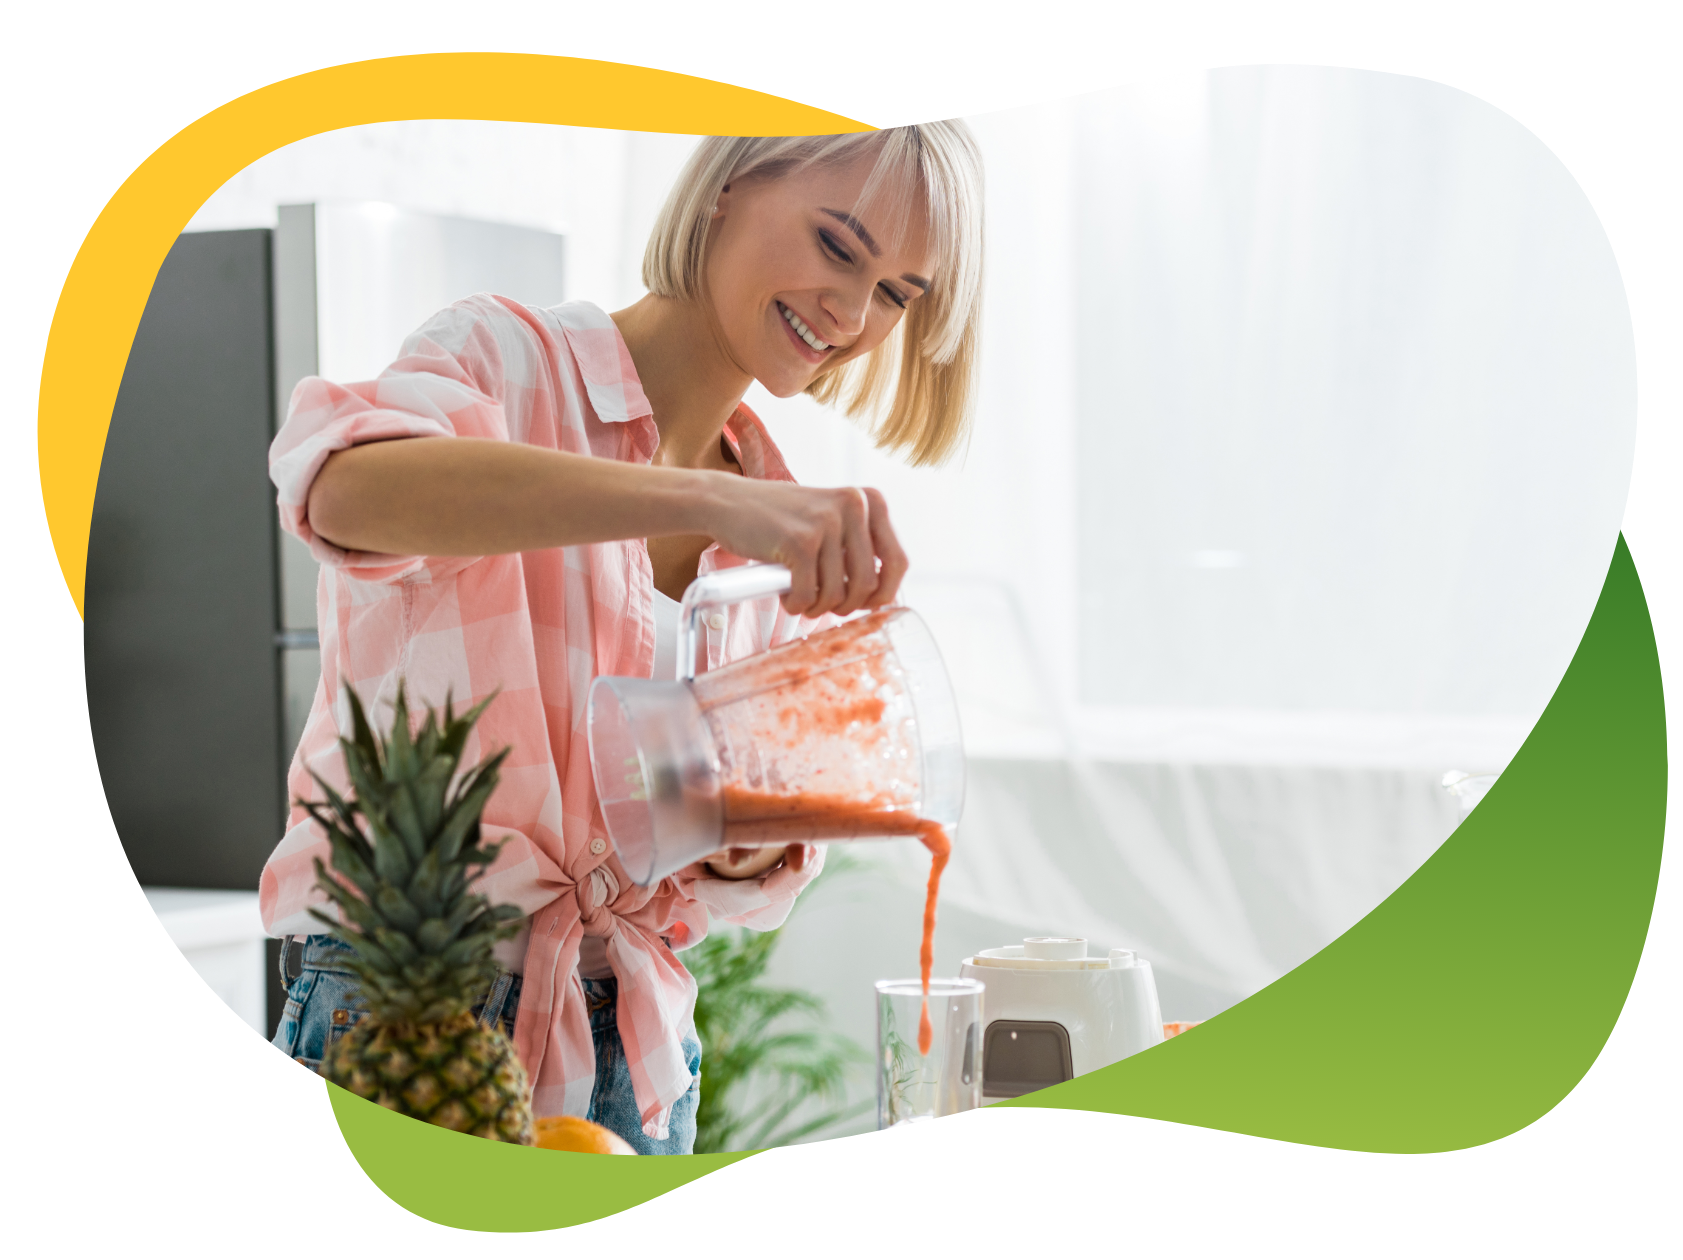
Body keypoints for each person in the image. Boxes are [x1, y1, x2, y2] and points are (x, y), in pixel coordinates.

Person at [263, 124, 986, 1152]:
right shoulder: (504, 360)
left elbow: (707, 868)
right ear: (730, 186)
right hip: (411, 1026)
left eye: (898, 295)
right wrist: (705, 500)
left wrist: (761, 821)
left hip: (640, 1055)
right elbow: (343, 490)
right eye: (837, 246)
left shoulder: (774, 513)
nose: (854, 314)